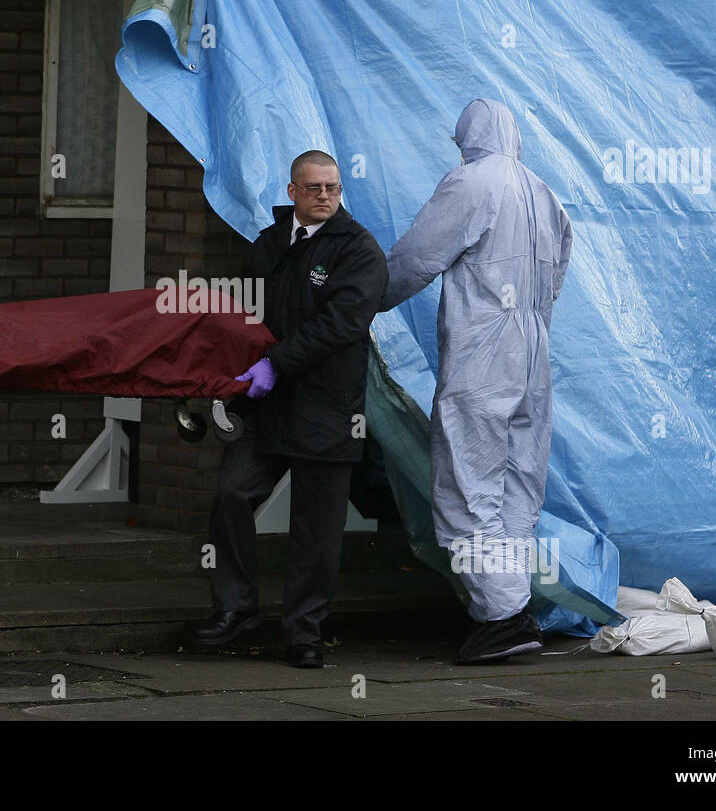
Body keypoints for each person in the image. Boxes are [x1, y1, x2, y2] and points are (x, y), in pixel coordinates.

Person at [380, 98, 572, 664]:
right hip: (534, 346)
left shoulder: (471, 182)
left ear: (468, 137)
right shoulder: (545, 191)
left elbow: (417, 258)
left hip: (485, 346)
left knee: (469, 480)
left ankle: (501, 617)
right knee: (518, 482)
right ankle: (514, 607)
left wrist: (360, 298)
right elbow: (558, 267)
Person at [189, 150, 388, 668]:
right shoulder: (270, 244)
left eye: (334, 188)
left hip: (327, 406)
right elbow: (244, 317)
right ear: (293, 191)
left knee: (315, 528)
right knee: (232, 495)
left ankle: (304, 633)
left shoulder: (359, 251)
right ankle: (235, 609)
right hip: (266, 406)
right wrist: (229, 378)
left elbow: (341, 325)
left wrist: (276, 363)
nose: (325, 196)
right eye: (315, 187)